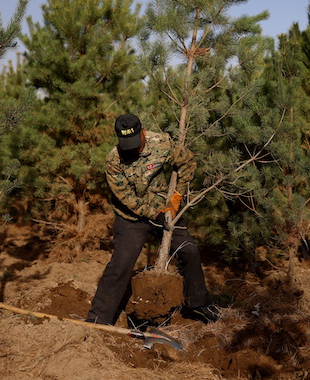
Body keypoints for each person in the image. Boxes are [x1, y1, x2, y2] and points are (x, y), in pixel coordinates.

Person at [86, 113, 220, 325]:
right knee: (120, 265)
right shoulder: (113, 161)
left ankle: (198, 305)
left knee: (189, 251)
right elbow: (125, 197)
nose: (131, 148)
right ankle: (98, 318)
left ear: (143, 132)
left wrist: (176, 196)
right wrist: (152, 214)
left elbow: (187, 162)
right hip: (130, 217)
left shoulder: (161, 143)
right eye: (125, 144)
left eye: (135, 142)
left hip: (163, 209)